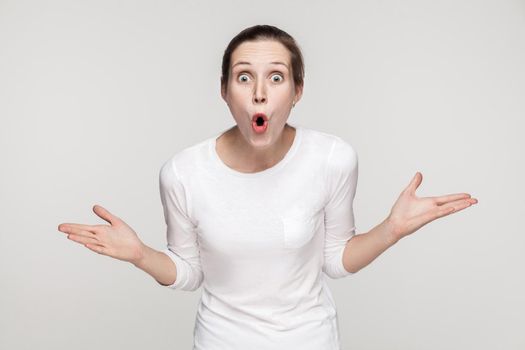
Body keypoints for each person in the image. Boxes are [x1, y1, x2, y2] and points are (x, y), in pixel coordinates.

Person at [57, 24, 478, 349]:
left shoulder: (332, 158)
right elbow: (190, 272)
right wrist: (140, 255)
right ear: (224, 91)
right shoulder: (183, 173)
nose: (259, 93)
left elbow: (334, 259)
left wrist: (391, 229)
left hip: (309, 340)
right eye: (244, 78)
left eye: (276, 78)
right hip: (221, 341)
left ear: (297, 91)